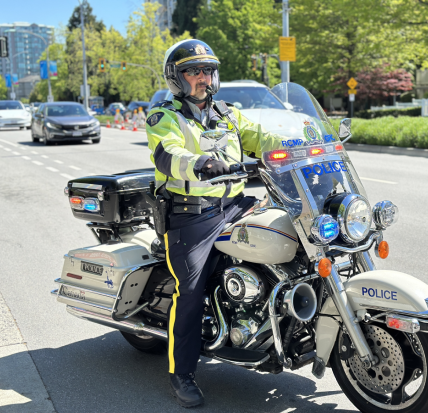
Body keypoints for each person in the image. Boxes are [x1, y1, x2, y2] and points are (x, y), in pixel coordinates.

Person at [145, 39, 283, 408]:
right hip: (191, 216)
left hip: (235, 205)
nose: (204, 78)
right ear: (177, 79)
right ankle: (181, 373)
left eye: (208, 70)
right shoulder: (165, 116)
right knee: (189, 292)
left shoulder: (228, 114)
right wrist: (201, 164)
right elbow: (167, 154)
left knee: (291, 235)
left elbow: (263, 137)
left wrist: (301, 141)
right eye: (194, 71)